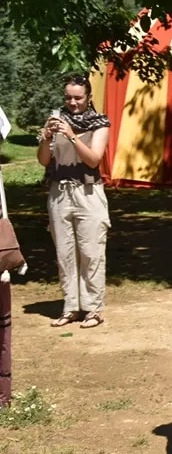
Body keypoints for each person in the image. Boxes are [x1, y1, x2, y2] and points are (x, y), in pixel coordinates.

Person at [37, 75, 111, 329]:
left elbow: (93, 160)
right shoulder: (56, 121)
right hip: (59, 193)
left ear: (89, 97)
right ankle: (70, 307)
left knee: (91, 251)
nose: (72, 102)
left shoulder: (100, 123)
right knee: (64, 253)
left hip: (88, 193)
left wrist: (71, 136)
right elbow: (44, 161)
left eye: (78, 97)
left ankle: (93, 309)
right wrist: (46, 137)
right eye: (68, 97)